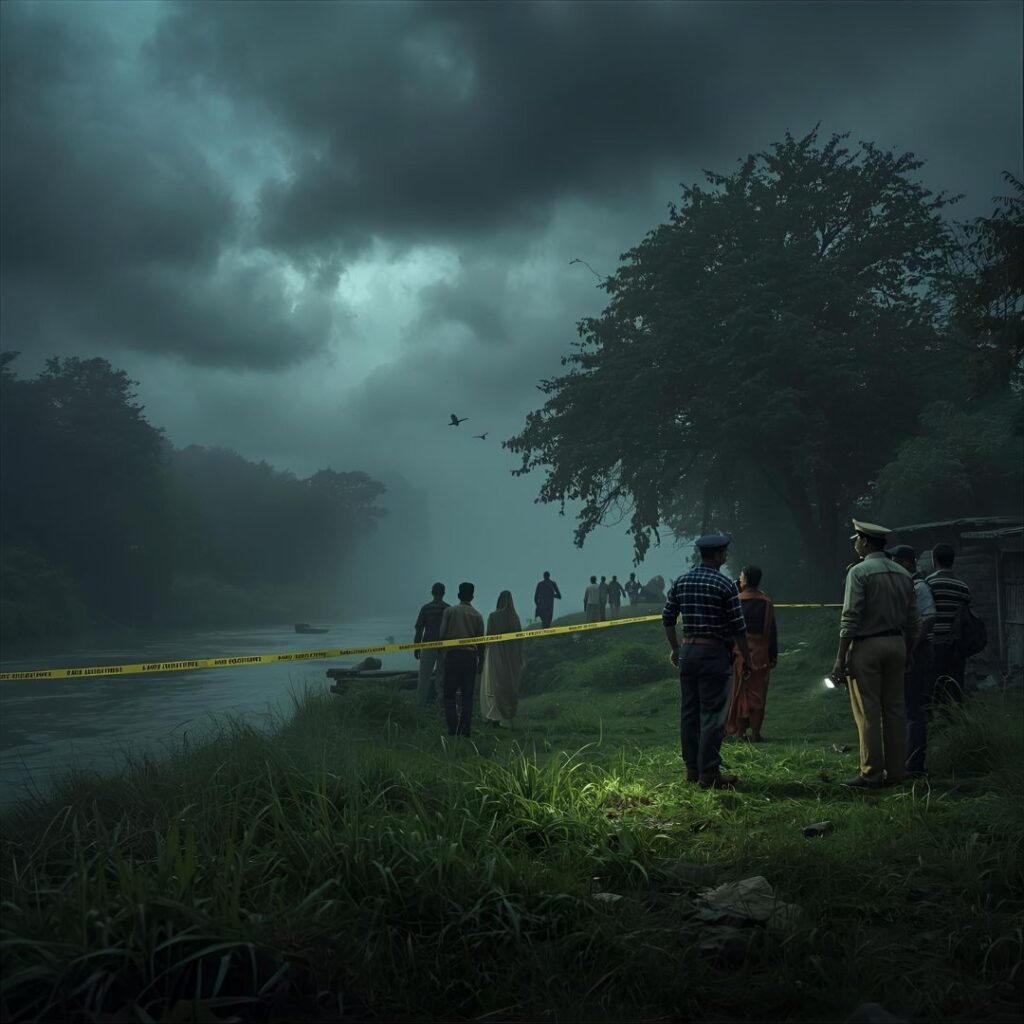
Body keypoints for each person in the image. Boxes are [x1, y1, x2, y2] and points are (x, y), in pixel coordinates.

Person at [831, 520, 920, 789]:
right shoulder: (903, 573)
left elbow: (850, 617)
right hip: (897, 644)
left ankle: (870, 773)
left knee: (868, 712)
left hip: (867, 646)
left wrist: (840, 656)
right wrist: (910, 650)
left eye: (856, 539)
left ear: (865, 541)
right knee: (895, 710)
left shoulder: (859, 572)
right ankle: (896, 773)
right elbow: (913, 619)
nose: (855, 544)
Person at [663, 533, 753, 790]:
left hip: (688, 652)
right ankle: (709, 773)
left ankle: (692, 768)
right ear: (717, 555)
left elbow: (667, 618)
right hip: (714, 655)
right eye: (723, 553)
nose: (724, 557)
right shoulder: (725, 585)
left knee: (689, 712)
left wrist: (674, 649)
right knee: (713, 715)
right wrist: (746, 660)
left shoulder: (682, 581)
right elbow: (738, 628)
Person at [887, 545, 938, 778]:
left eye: (896, 560)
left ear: (907, 563)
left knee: (913, 709)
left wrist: (911, 646)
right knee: (906, 706)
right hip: (910, 651)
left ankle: (914, 763)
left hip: (918, 652)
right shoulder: (907, 586)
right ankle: (904, 759)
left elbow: (928, 617)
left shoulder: (919, 586)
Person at [725, 565, 778, 742]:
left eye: (741, 576)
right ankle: (756, 734)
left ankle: (740, 734)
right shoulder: (767, 602)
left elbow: (730, 631)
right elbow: (772, 631)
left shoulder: (736, 601)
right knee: (758, 695)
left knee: (740, 694)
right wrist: (773, 655)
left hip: (739, 655)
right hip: (761, 655)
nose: (739, 579)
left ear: (745, 579)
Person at [926, 543, 972, 707]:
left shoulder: (928, 583)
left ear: (934, 560)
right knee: (954, 686)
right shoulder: (963, 587)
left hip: (934, 644)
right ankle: (955, 722)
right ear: (952, 561)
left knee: (932, 686)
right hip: (956, 646)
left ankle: (934, 723)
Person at [438, 582, 485, 737]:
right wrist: (481, 662)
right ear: (472, 596)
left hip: (453, 656)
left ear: (459, 595)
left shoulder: (449, 612)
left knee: (449, 694)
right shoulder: (477, 615)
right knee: (468, 696)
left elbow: (442, 635)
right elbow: (481, 642)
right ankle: (465, 730)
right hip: (470, 658)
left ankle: (453, 728)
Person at [480, 591, 525, 728]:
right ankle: (507, 715)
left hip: (495, 654)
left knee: (494, 683)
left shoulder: (493, 616)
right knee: (508, 683)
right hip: (512, 657)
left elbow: (489, 636)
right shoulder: (514, 617)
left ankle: (494, 715)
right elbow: (520, 640)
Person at [413, 582, 449, 707]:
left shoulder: (426, 608)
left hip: (428, 645)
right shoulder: (448, 609)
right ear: (443, 593)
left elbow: (419, 629)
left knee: (424, 676)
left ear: (432, 592)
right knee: (442, 676)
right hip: (444, 646)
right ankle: (441, 704)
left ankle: (420, 704)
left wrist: (416, 647)